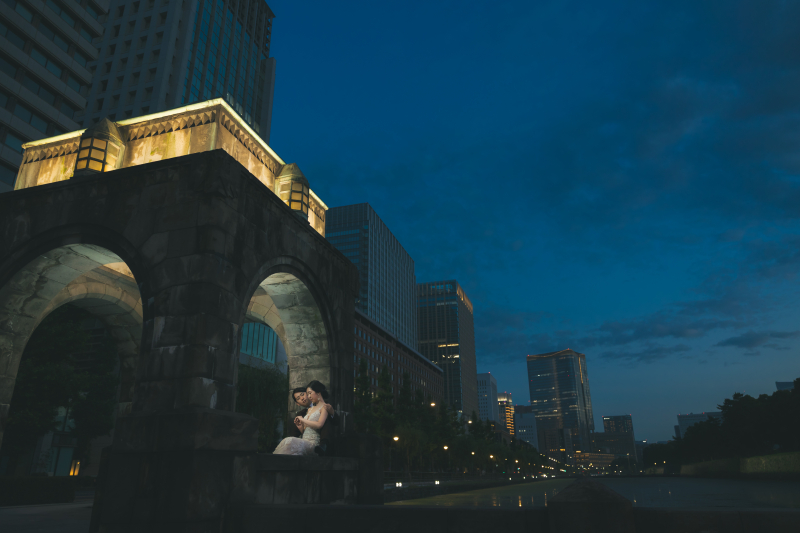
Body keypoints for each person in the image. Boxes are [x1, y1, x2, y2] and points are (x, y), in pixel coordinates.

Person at [273, 381, 331, 455]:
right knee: (289, 446)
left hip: (315, 442)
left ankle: (323, 445)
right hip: (304, 440)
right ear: (297, 403)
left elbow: (320, 424)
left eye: (303, 394)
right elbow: (305, 431)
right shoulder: (307, 411)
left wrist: (302, 419)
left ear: (317, 392)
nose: (303, 398)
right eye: (298, 398)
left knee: (289, 441)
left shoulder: (325, 407)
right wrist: (301, 427)